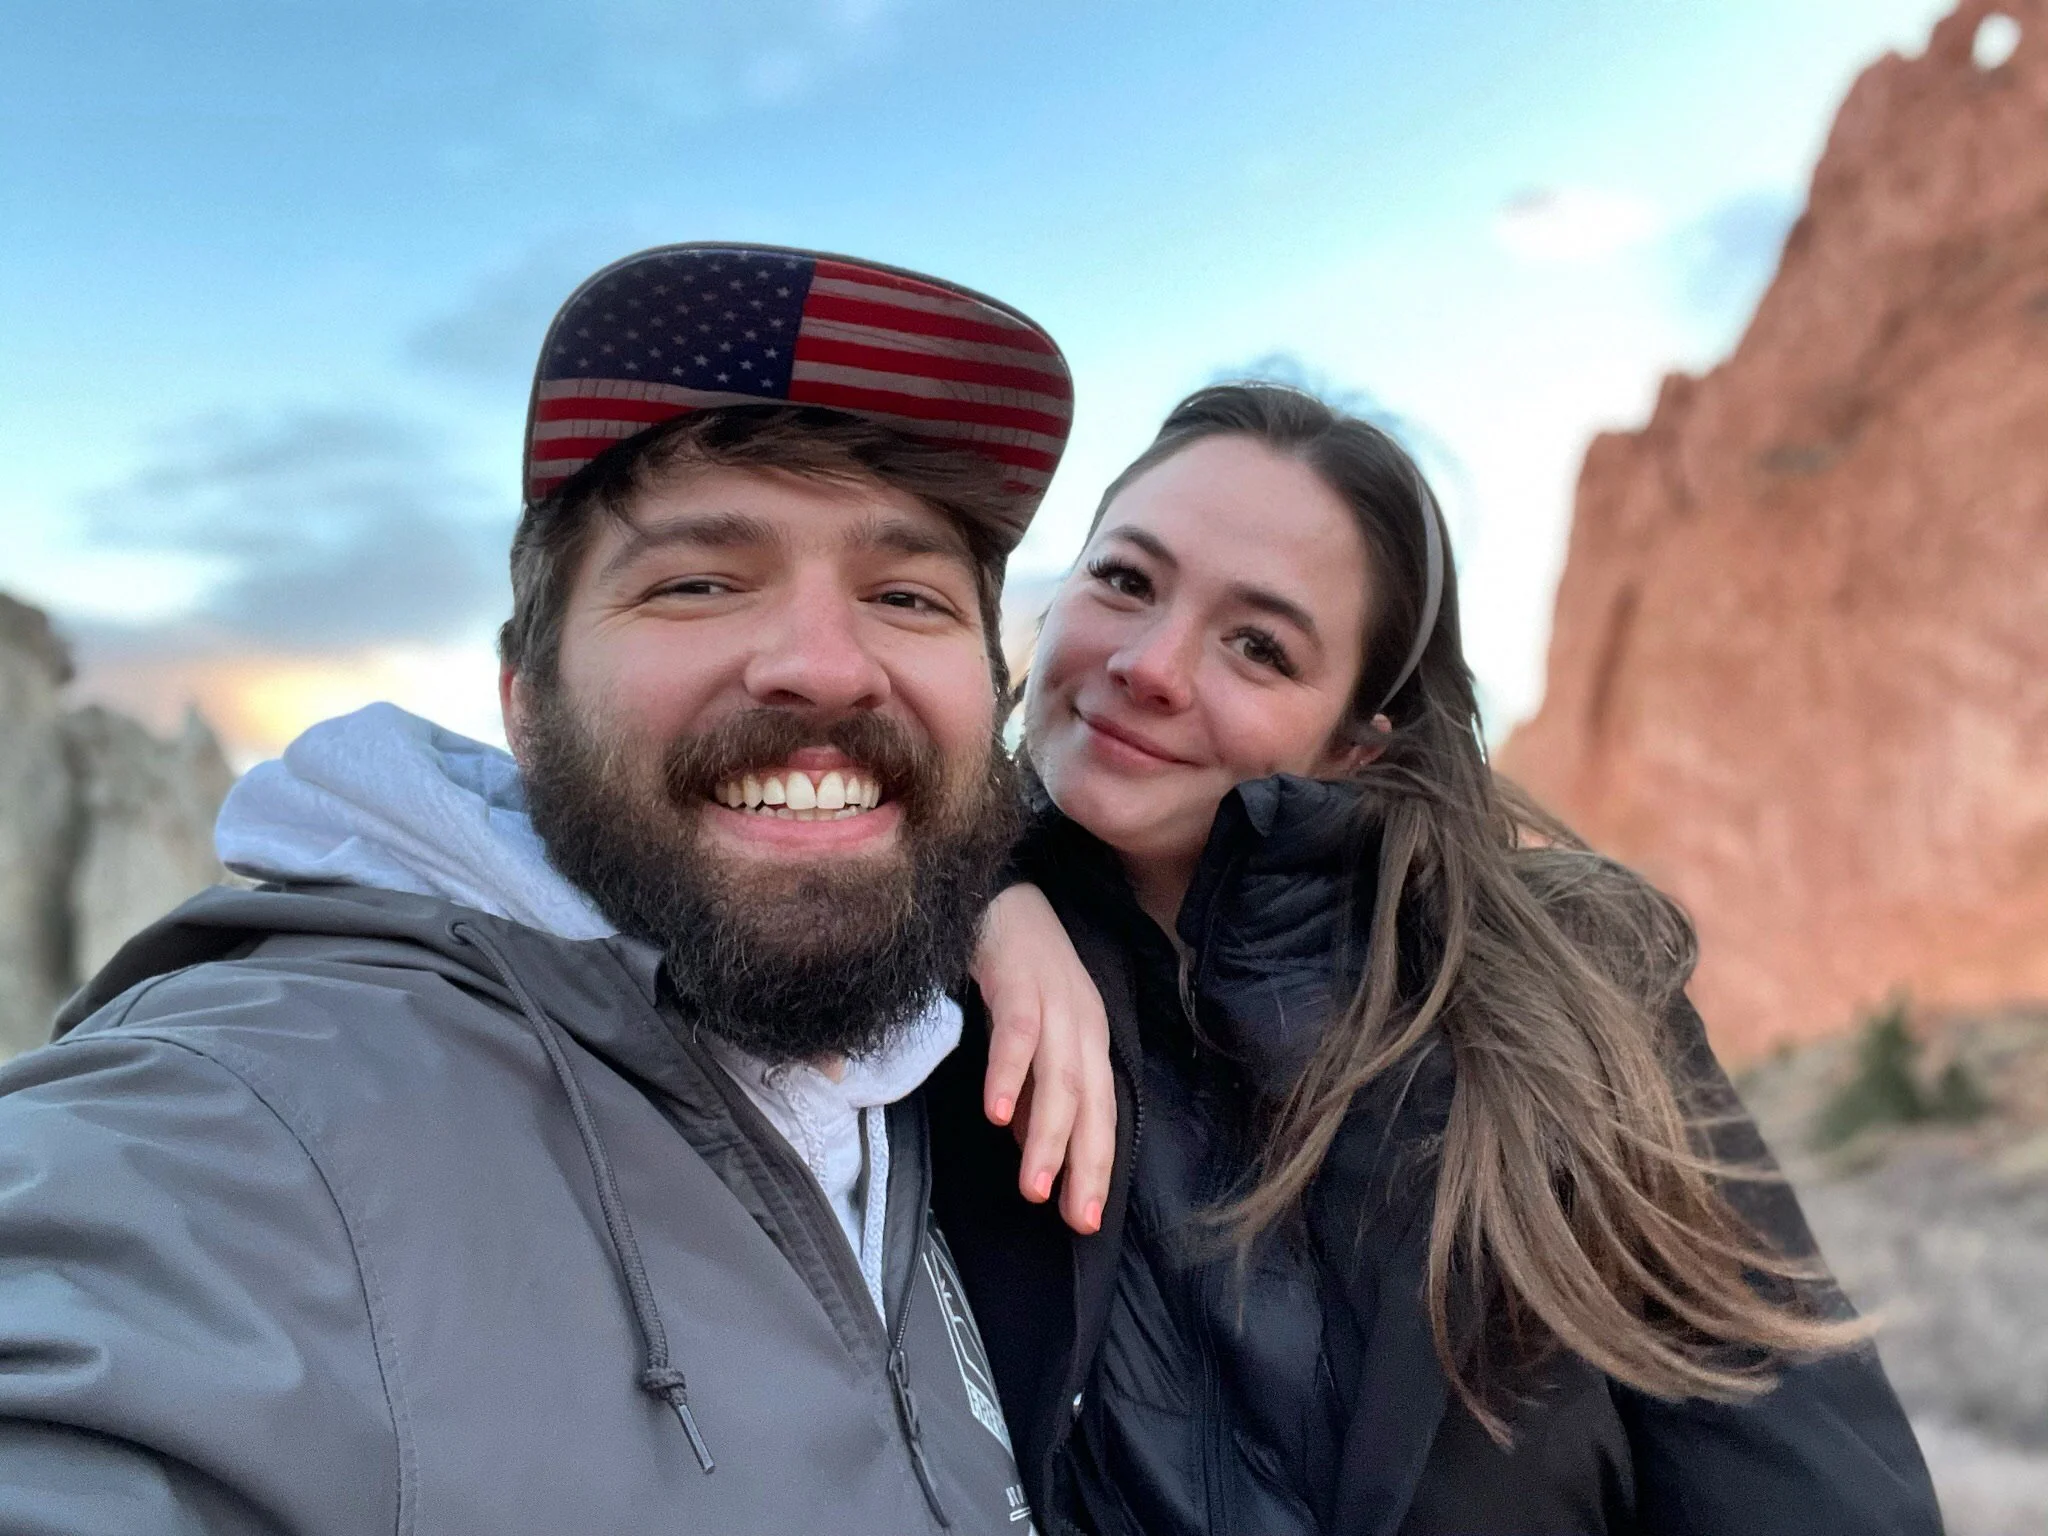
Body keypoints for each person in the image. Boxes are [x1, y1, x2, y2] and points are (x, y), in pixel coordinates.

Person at [0, 242, 1112, 1535]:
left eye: (906, 593)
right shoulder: (250, 1125)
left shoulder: (941, 1083)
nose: (824, 665)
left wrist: (1003, 898)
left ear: (994, 700)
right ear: (528, 711)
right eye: (699, 581)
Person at [931, 382, 1945, 1534]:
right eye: (1124, 580)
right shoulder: (925, 998)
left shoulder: (1557, 990)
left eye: (1257, 646)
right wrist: (974, 894)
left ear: (1357, 745)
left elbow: (1797, 1479)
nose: (1152, 664)